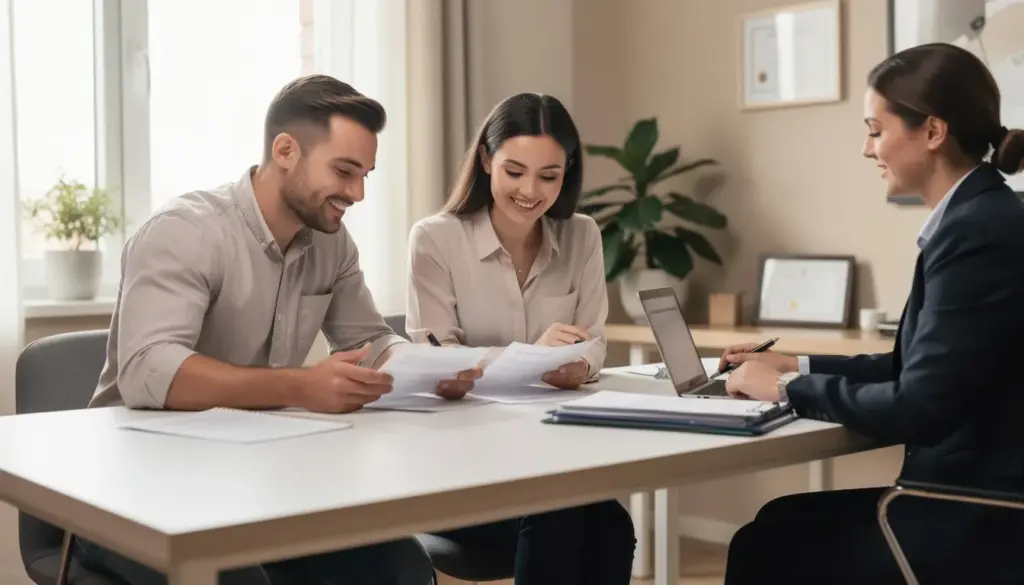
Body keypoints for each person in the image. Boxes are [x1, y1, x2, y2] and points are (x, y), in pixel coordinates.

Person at [80, 75, 481, 585]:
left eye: (365, 176)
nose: (357, 193)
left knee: (398, 565)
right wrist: (301, 385)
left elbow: (369, 341)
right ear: (286, 150)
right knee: (239, 577)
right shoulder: (186, 232)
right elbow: (148, 371)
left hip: (256, 482)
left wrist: (431, 368)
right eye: (344, 171)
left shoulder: (331, 244)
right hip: (134, 492)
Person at [719, 43, 1024, 584]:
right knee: (775, 526)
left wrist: (784, 392)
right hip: (977, 505)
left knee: (768, 543)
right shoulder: (982, 216)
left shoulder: (977, 232)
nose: (866, 149)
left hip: (977, 522)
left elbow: (920, 405)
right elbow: (912, 368)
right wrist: (798, 367)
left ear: (932, 132)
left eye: (875, 130)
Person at [405, 93, 635, 585]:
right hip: (461, 466)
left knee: (610, 521)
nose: (530, 190)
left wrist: (581, 365)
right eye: (514, 171)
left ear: (566, 172)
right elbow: (432, 360)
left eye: (548, 176)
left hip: (553, 454)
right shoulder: (435, 239)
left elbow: (594, 341)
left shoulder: (583, 235)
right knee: (557, 514)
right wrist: (528, 357)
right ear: (486, 159)